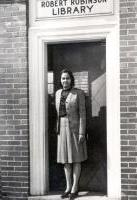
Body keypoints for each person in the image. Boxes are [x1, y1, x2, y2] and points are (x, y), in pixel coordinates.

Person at [55, 69, 88, 200]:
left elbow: (83, 114)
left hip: (74, 129)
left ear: (71, 79)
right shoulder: (57, 93)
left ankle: (75, 188)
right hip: (61, 129)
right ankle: (68, 187)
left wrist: (82, 132)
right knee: (65, 160)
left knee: (76, 158)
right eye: (63, 78)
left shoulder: (78, 93)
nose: (65, 81)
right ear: (60, 80)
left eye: (67, 78)